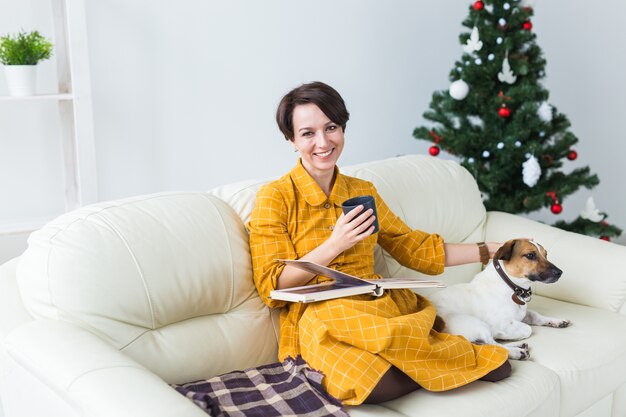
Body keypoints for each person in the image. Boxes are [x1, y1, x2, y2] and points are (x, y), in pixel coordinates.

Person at [247, 81, 511, 406]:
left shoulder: (363, 191)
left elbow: (413, 247)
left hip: (375, 307)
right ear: (291, 140)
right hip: (320, 319)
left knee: (494, 367)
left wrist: (488, 251)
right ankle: (447, 360)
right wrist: (335, 244)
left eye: (331, 128)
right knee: (368, 385)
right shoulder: (275, 197)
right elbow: (270, 286)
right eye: (307, 133)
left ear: (343, 128)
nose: (323, 142)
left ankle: (443, 358)